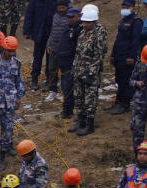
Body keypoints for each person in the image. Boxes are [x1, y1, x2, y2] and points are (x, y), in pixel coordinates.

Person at [68, 4, 108, 136]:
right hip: (79, 70)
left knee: (90, 99)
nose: (84, 24)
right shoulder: (82, 33)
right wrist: (74, 68)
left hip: (90, 73)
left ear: (93, 22)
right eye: (83, 21)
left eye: (87, 22)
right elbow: (78, 53)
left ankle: (90, 125)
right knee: (78, 97)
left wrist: (91, 72)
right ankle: (81, 120)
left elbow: (99, 55)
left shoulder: (99, 34)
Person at [108, 0, 143, 113]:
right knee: (119, 78)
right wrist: (113, 55)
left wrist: (131, 56)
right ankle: (118, 101)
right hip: (118, 55)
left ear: (133, 8)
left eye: (127, 7)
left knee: (126, 80)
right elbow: (118, 40)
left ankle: (125, 104)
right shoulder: (123, 21)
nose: (124, 9)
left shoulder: (136, 21)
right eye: (123, 7)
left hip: (127, 56)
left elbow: (135, 40)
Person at [24, 0, 59, 90]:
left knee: (50, 59)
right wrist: (27, 31)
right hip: (39, 34)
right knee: (37, 58)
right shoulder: (35, 1)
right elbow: (29, 14)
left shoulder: (55, 2)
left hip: (52, 35)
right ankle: (34, 80)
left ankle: (49, 80)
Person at [56, 8, 83, 119]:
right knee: (65, 88)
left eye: (72, 17)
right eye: (68, 17)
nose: (69, 19)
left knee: (68, 89)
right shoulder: (69, 28)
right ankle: (67, 110)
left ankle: (67, 111)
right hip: (64, 64)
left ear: (79, 16)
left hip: (70, 65)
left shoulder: (79, 30)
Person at [45, 2, 75, 91]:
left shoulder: (70, 17)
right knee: (52, 69)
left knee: (64, 70)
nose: (61, 9)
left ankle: (64, 88)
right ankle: (52, 89)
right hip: (53, 48)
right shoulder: (55, 16)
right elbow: (52, 31)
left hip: (64, 50)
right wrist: (49, 44)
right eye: (59, 8)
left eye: (63, 7)